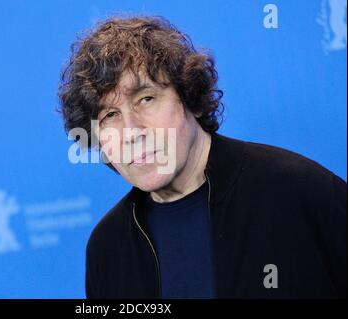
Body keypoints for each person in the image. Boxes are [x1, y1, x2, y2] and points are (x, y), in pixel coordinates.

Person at [57, 15, 347, 298]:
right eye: (110, 115)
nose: (131, 132)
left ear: (190, 98)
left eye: (146, 99)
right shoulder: (108, 247)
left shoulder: (300, 191)